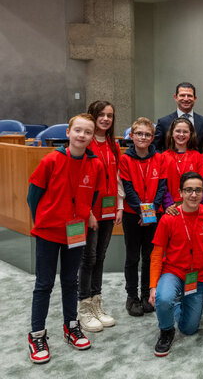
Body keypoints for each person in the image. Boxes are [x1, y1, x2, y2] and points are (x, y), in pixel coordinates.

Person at [27, 113, 105, 363]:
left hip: (75, 232)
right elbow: (33, 197)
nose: (82, 136)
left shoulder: (95, 164)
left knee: (71, 281)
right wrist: (44, 221)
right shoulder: (50, 160)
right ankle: (37, 334)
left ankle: (71, 326)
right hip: (49, 232)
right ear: (68, 132)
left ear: (93, 136)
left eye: (88, 132)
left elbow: (92, 194)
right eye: (78, 130)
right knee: (44, 284)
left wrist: (88, 213)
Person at [149, 172, 203, 357]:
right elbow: (157, 254)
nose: (193, 195)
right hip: (173, 271)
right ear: (180, 192)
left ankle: (178, 305)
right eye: (188, 190)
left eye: (198, 190)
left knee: (189, 329)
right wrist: (152, 287)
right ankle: (166, 331)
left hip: (198, 276)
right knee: (163, 298)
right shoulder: (169, 218)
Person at [77, 101, 123, 333]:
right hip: (90, 212)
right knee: (89, 258)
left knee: (101, 256)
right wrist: (88, 212)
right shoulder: (86, 143)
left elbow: (116, 178)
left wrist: (119, 206)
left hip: (108, 209)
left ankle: (96, 302)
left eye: (110, 116)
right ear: (93, 116)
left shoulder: (113, 145)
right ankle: (84, 306)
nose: (106, 119)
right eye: (101, 115)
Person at [119, 117, 168, 317]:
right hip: (132, 215)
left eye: (147, 134)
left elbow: (162, 188)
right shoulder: (125, 159)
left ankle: (147, 293)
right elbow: (128, 189)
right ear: (131, 136)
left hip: (154, 215)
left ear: (153, 137)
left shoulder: (160, 158)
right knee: (132, 257)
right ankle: (132, 297)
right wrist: (141, 212)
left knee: (150, 256)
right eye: (139, 133)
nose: (143, 137)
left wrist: (150, 212)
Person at [154, 82, 203, 151]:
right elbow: (156, 148)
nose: (186, 99)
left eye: (189, 96)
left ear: (195, 98)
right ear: (175, 97)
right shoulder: (163, 122)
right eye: (182, 95)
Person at [161, 117, 203, 206]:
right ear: (172, 133)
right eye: (178, 131)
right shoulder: (164, 156)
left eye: (185, 132)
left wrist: (197, 203)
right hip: (172, 206)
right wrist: (169, 204)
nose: (181, 134)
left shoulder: (197, 156)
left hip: (193, 203)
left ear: (190, 134)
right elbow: (163, 185)